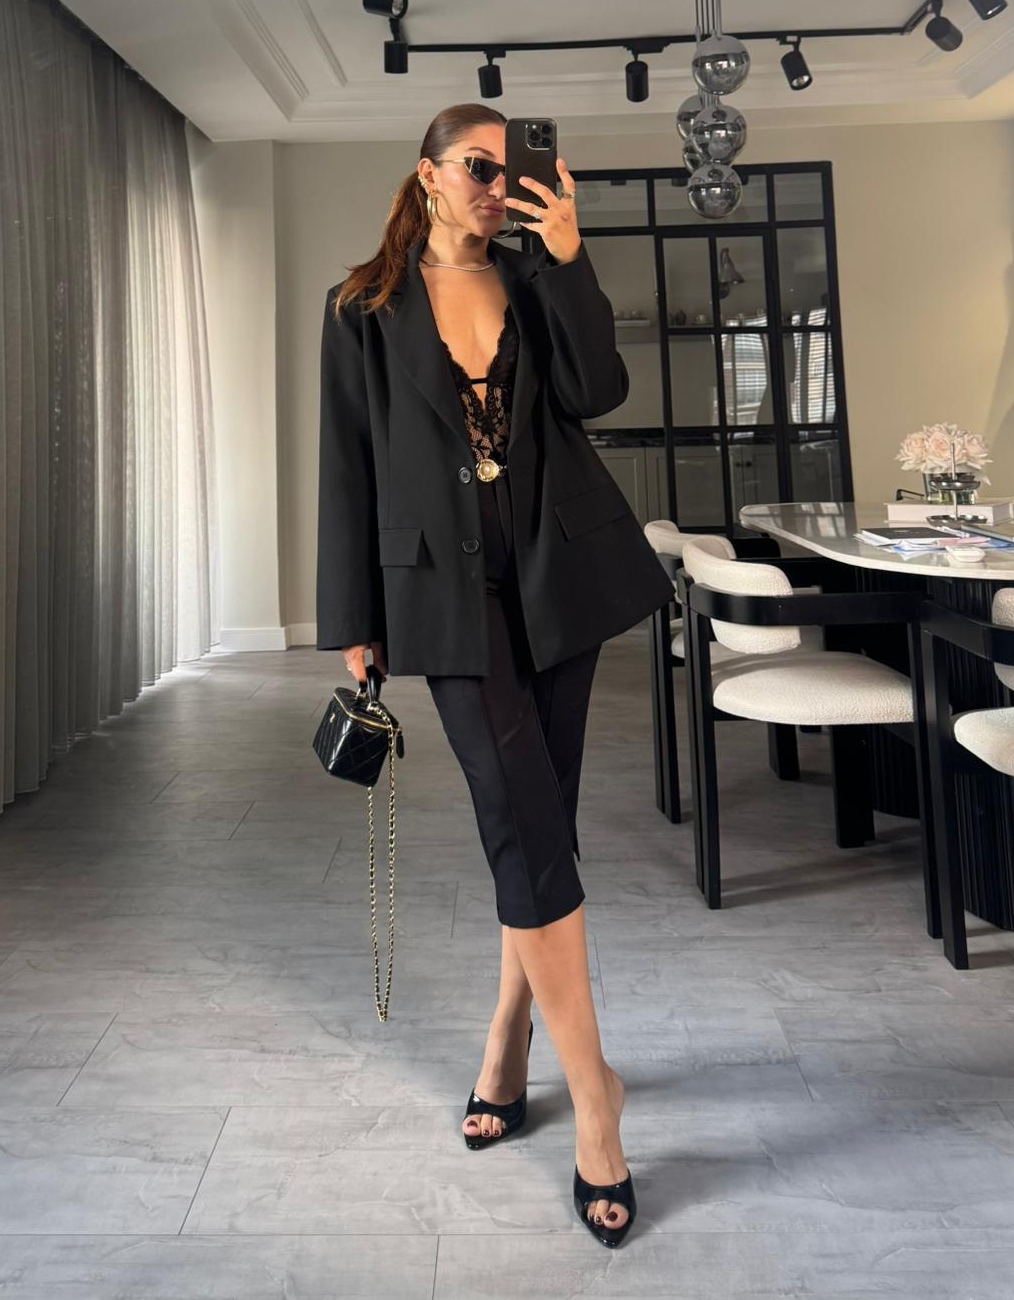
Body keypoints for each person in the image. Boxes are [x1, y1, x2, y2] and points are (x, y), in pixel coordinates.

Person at [316, 104, 675, 1247]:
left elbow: (599, 392)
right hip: (440, 590)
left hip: (559, 572)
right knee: (519, 816)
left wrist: (569, 258)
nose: (494, 184)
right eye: (476, 166)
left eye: (509, 167)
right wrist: (351, 616)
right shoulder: (361, 305)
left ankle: (507, 1042)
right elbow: (347, 463)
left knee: (538, 822)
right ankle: (596, 1103)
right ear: (427, 175)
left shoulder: (534, 275)